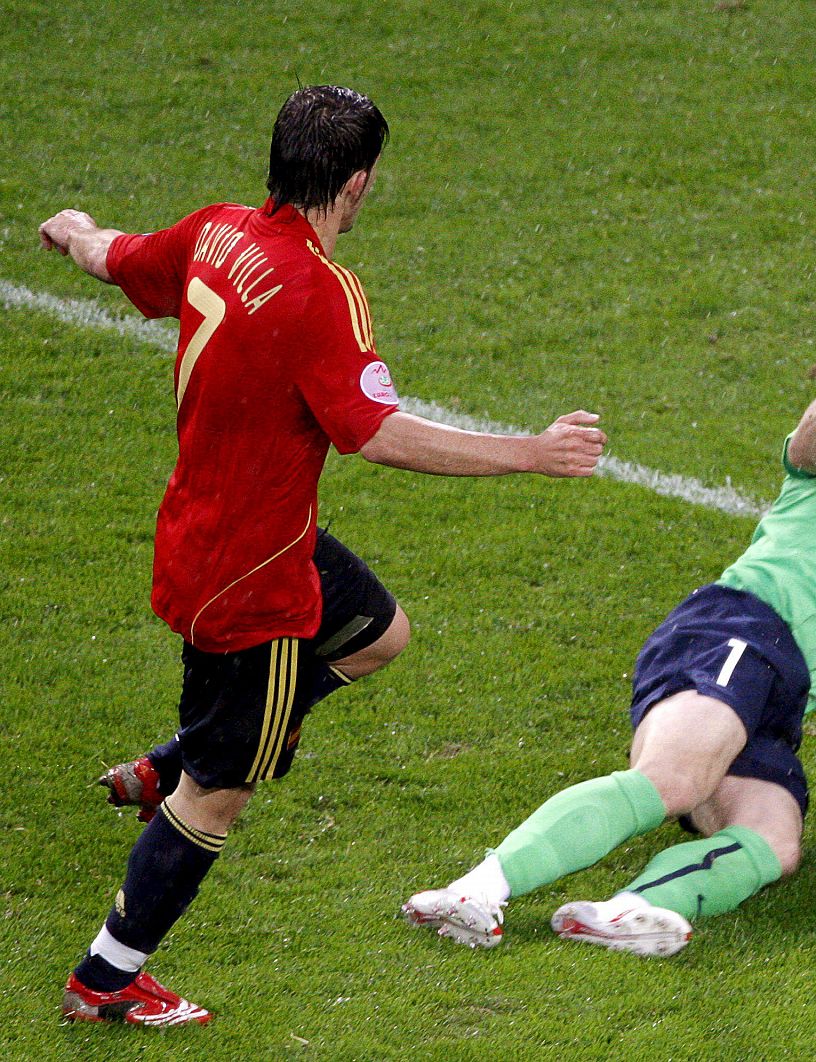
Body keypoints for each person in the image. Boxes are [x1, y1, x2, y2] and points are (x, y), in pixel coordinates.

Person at [40, 85, 608, 1026]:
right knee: (218, 796)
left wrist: (78, 231)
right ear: (357, 183)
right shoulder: (318, 290)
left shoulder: (218, 232)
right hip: (252, 584)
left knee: (379, 631)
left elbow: (118, 258)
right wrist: (530, 454)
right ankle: (104, 980)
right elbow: (372, 431)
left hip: (219, 534)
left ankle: (164, 762)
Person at [404, 298, 816, 958]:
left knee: (774, 839)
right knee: (675, 778)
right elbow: (809, 450)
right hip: (738, 629)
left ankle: (628, 911)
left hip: (785, 692)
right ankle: (476, 889)